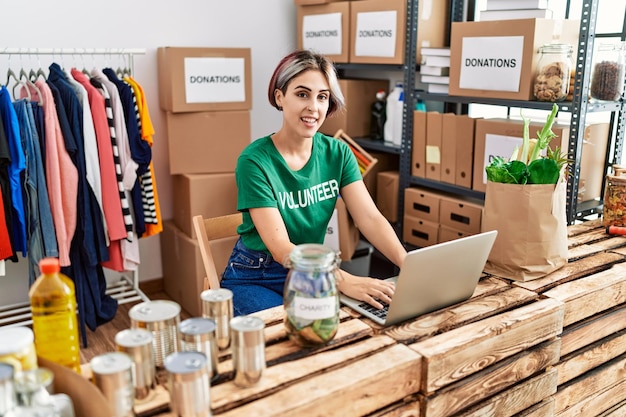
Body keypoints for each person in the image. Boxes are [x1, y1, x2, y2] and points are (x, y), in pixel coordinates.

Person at [221, 49, 407, 316]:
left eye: (322, 97)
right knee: (296, 337)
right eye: (302, 94)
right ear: (279, 97)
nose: (314, 107)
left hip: (312, 272)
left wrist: (408, 264)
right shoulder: (254, 161)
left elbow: (369, 218)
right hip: (257, 275)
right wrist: (342, 280)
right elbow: (280, 248)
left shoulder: (338, 154)